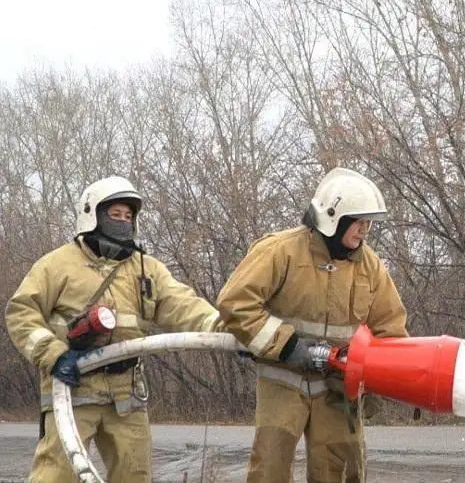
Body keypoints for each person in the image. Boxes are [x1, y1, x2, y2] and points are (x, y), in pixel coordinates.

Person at [5, 176, 226, 483]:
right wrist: (54, 355)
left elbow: (182, 304)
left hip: (126, 392)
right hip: (73, 386)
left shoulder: (146, 268)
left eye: (129, 216)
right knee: (57, 474)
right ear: (92, 214)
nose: (123, 222)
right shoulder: (57, 265)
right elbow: (21, 313)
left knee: (134, 473)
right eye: (115, 214)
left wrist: (223, 329)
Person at [217, 167, 409, 483]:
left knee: (344, 472)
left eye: (368, 223)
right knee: (269, 470)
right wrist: (290, 346)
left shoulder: (369, 265)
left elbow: (391, 327)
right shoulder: (281, 250)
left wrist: (374, 377)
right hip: (283, 382)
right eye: (359, 222)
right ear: (335, 218)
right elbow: (235, 304)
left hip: (338, 390)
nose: (365, 231)